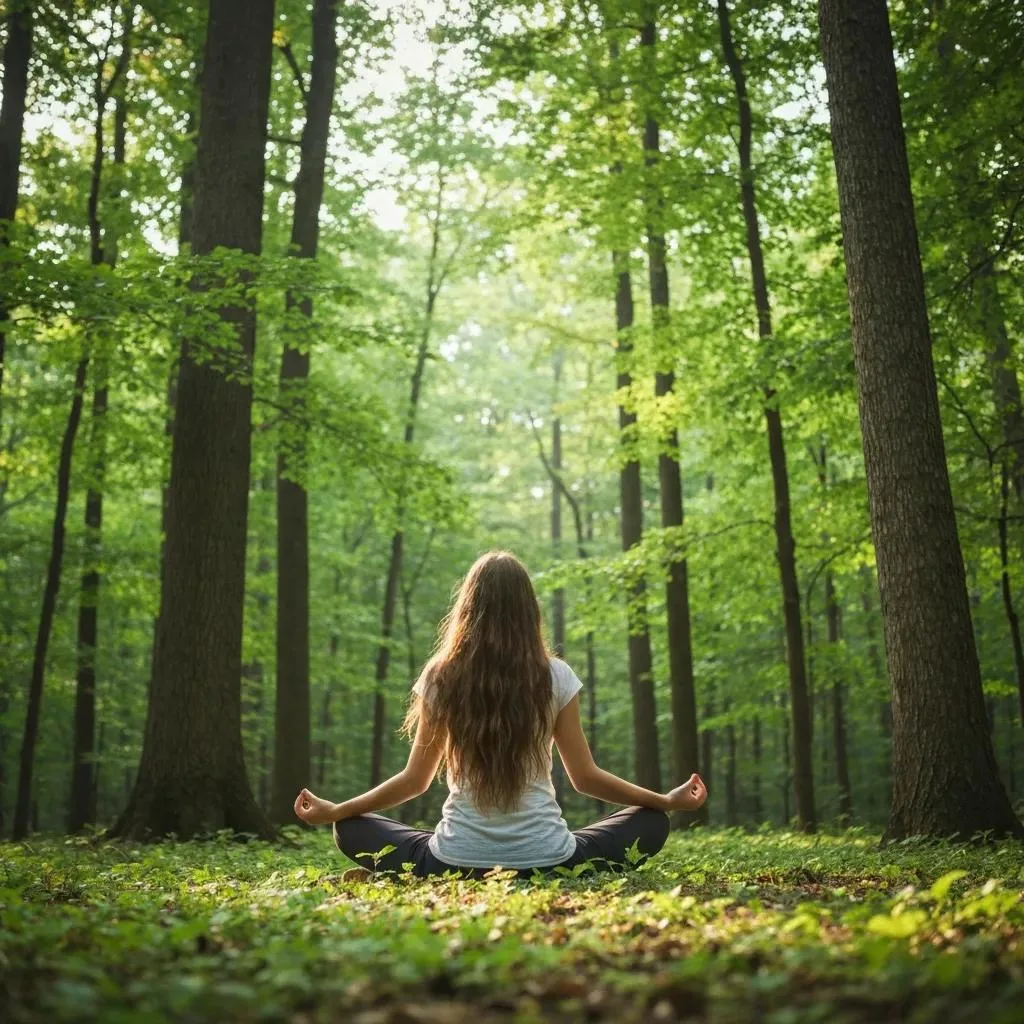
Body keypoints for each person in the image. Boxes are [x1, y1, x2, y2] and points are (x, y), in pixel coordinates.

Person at [294, 550, 708, 878]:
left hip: (452, 863)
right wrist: (663, 801)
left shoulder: (441, 676)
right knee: (652, 823)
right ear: (529, 610)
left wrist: (338, 811)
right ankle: (556, 861)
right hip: (551, 861)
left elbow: (414, 781)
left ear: (467, 609)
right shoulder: (555, 676)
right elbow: (586, 779)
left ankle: (435, 860)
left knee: (350, 829)